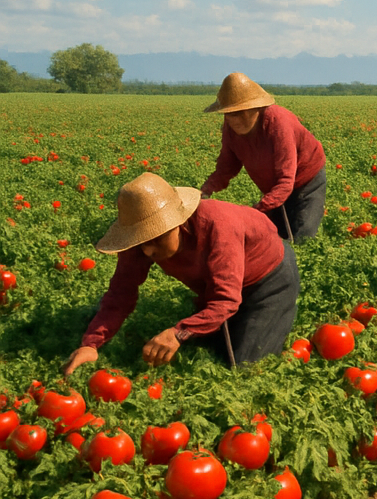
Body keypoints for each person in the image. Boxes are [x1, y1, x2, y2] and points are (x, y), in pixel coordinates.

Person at [62, 172, 299, 374]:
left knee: (245, 364)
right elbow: (120, 293)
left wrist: (178, 333)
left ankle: (273, 314)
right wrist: (91, 344)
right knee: (210, 344)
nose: (147, 249)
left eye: (156, 238)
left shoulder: (219, 226)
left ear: (177, 222)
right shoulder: (140, 242)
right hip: (217, 280)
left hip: (269, 277)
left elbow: (225, 299)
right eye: (141, 240)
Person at [199, 72, 327, 243]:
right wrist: (204, 191)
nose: (234, 119)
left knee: (302, 237)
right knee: (273, 239)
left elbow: (286, 179)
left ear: (256, 109)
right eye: (229, 113)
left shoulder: (278, 123)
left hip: (306, 181)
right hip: (274, 187)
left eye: (241, 112)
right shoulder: (230, 128)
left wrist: (258, 211)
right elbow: (226, 167)